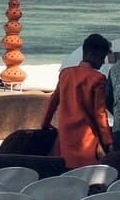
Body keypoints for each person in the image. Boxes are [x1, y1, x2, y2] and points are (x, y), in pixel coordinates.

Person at [42, 34, 113, 168]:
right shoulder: (98, 78)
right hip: (86, 141)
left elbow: (52, 102)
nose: (103, 62)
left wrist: (45, 124)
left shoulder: (65, 74)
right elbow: (100, 114)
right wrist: (107, 141)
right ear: (91, 55)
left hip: (64, 139)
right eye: (101, 58)